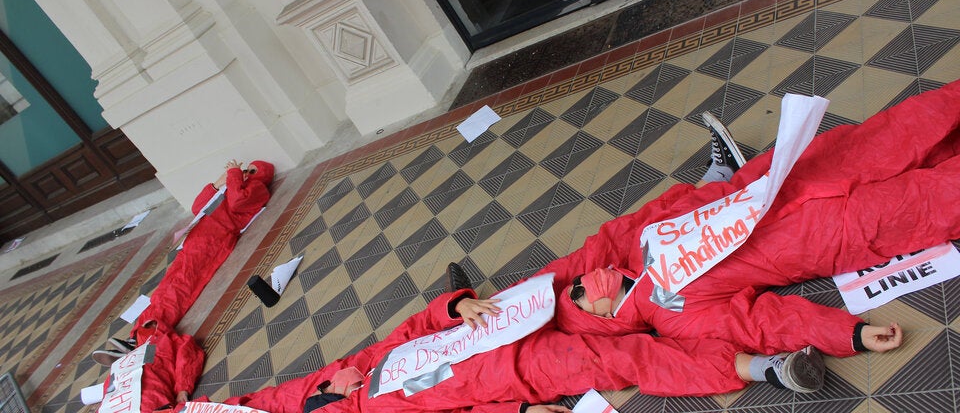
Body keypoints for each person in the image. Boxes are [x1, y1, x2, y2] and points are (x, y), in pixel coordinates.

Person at [539, 80, 960, 359]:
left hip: (801, 179)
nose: (583, 281)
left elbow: (710, 196)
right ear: (606, 320)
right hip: (830, 235)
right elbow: (761, 325)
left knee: (914, 126)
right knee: (938, 198)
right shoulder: (669, 310)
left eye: (576, 281)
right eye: (580, 296)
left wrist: (757, 170)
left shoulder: (644, 242)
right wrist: (848, 334)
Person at [217, 265, 825, 413]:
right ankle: (761, 368)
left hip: (503, 320)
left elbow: (405, 336)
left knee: (598, 285)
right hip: (515, 371)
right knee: (623, 357)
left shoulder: (299, 394)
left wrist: (456, 304)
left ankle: (696, 269)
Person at [90, 160, 275, 412]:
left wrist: (234, 175)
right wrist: (217, 184)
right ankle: (138, 338)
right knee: (167, 289)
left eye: (251, 170)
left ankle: (143, 337)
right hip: (199, 238)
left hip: (214, 240)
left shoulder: (257, 189)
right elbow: (200, 207)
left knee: (178, 290)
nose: (245, 173)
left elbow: (238, 203)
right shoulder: (231, 186)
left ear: (260, 175)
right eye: (246, 170)